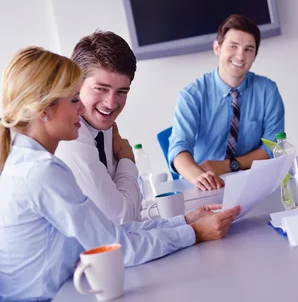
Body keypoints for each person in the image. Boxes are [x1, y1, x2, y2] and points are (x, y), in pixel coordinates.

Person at [0, 47, 240, 301]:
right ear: (44, 110)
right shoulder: (41, 172)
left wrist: (183, 222)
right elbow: (115, 248)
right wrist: (196, 233)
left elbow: (111, 234)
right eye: (73, 100)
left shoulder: (28, 163)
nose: (81, 109)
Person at [169, 14, 285, 191]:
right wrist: (201, 178)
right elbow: (178, 149)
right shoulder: (192, 95)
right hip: (206, 185)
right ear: (217, 47)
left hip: (252, 182)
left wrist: (228, 165)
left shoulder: (267, 91)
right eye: (233, 46)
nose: (240, 56)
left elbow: (273, 147)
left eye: (249, 49)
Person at [55, 30, 143, 224]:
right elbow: (119, 219)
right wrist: (127, 160)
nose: (111, 104)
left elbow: (132, 218)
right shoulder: (71, 136)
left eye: (121, 92)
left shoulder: (103, 126)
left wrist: (184, 225)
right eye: (101, 89)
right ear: (75, 83)